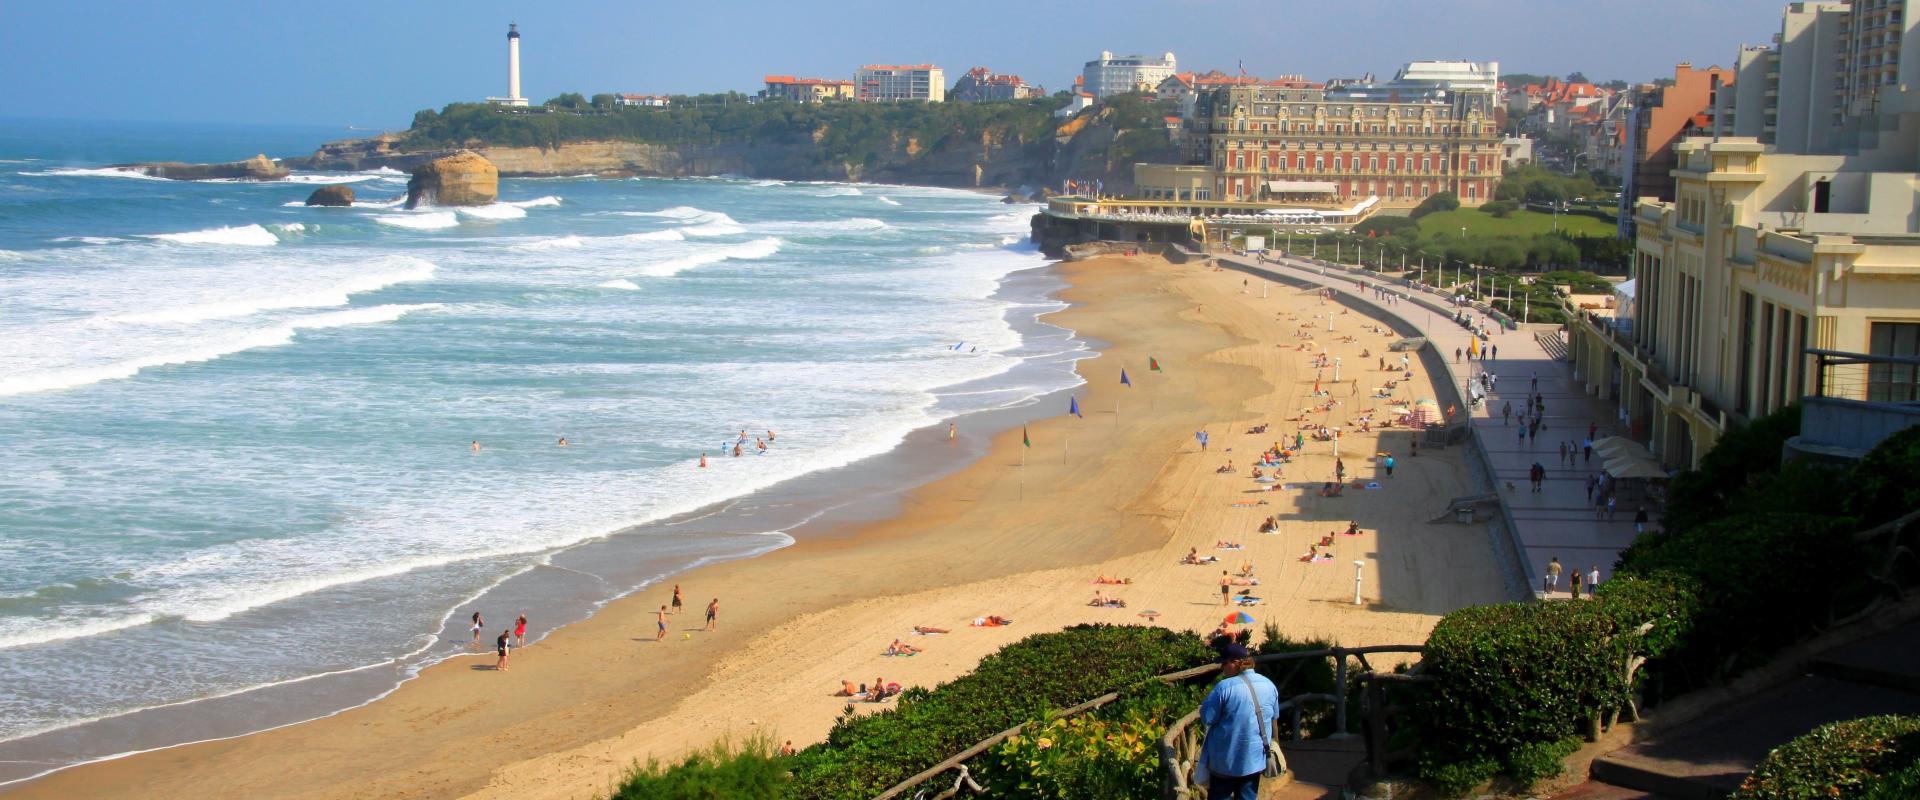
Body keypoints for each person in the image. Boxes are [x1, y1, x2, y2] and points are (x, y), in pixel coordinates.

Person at [1196, 642, 1280, 800]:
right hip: (1254, 761)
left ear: (1234, 663)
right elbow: (1274, 716)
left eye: (1223, 663)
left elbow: (1207, 717)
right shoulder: (1269, 685)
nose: (1222, 668)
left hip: (1225, 761)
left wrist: (1205, 705)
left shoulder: (1224, 687)